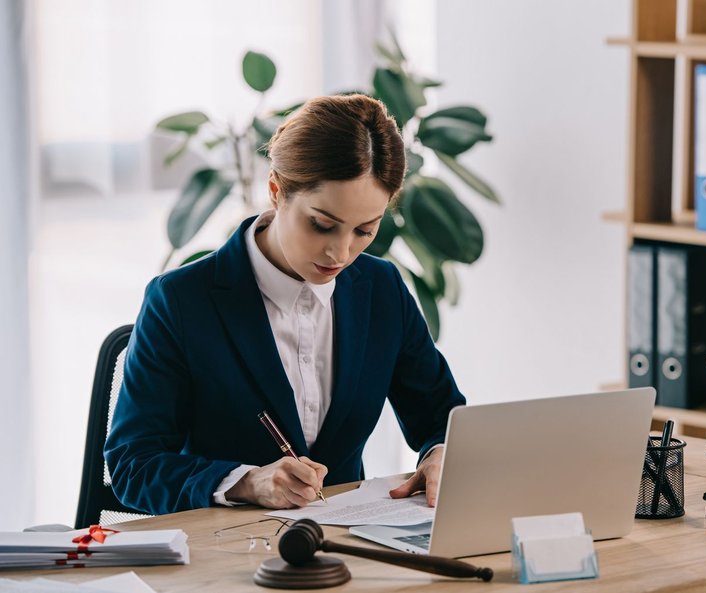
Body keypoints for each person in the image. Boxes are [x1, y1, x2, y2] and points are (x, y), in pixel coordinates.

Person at [105, 94, 465, 515]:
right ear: (276, 190)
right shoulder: (181, 300)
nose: (340, 253)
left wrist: (441, 453)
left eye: (365, 231)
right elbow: (134, 465)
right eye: (322, 225)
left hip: (347, 548)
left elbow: (441, 416)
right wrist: (245, 481)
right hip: (226, 552)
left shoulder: (381, 288)